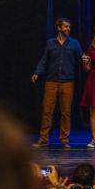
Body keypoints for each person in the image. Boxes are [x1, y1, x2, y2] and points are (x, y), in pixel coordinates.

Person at [32, 17, 83, 148]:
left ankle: (64, 140)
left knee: (66, 112)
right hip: (51, 81)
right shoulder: (50, 43)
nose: (68, 29)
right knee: (47, 110)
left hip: (67, 81)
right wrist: (37, 73)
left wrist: (86, 61)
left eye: (69, 27)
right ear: (59, 28)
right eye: (65, 26)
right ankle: (43, 139)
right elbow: (44, 60)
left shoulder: (74, 44)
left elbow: (80, 60)